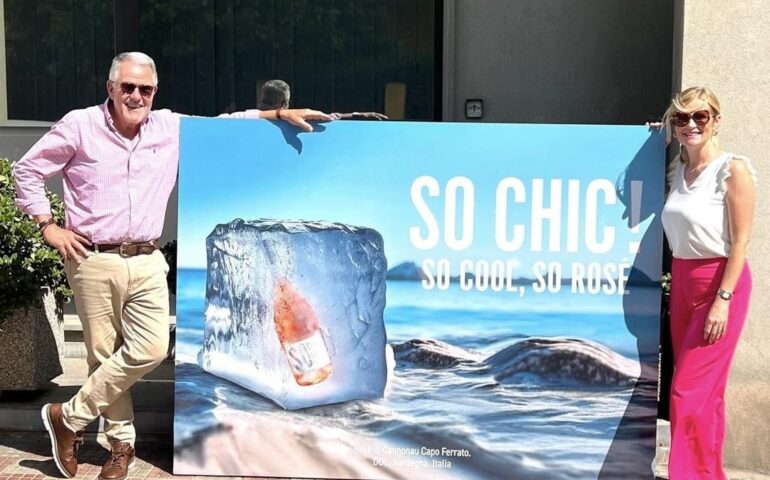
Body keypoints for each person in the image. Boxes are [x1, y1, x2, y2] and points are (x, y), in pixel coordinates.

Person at [12, 51, 331, 480]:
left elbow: (222, 125)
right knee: (102, 356)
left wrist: (275, 113)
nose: (136, 95)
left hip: (146, 258)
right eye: (127, 87)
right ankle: (120, 446)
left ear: (155, 92)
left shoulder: (168, 127)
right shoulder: (79, 125)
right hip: (92, 258)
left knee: (151, 349)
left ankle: (68, 416)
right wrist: (48, 226)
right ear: (111, 88)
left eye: (145, 89)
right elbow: (27, 171)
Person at [660, 86, 756, 479]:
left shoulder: (733, 169)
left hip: (719, 283)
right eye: (681, 118)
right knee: (707, 396)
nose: (690, 125)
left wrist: (724, 298)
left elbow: (743, 240)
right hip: (682, 281)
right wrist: (652, 138)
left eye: (700, 116)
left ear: (716, 120)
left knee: (686, 394)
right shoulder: (675, 171)